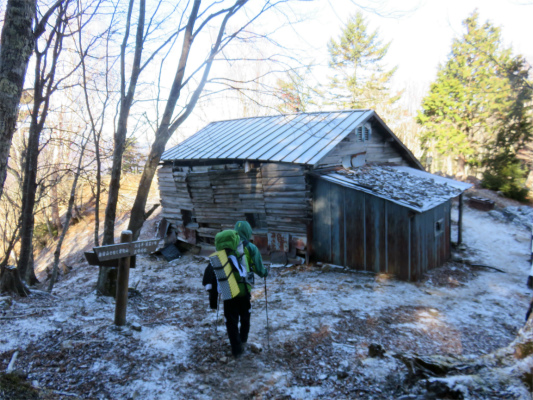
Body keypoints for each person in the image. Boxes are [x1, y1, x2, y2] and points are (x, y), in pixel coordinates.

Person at [208, 225, 267, 358]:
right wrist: (264, 273)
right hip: (243, 290)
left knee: (231, 320)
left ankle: (236, 349)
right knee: (245, 317)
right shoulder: (247, 248)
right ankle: (243, 340)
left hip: (227, 289)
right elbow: (258, 268)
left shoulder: (221, 252)